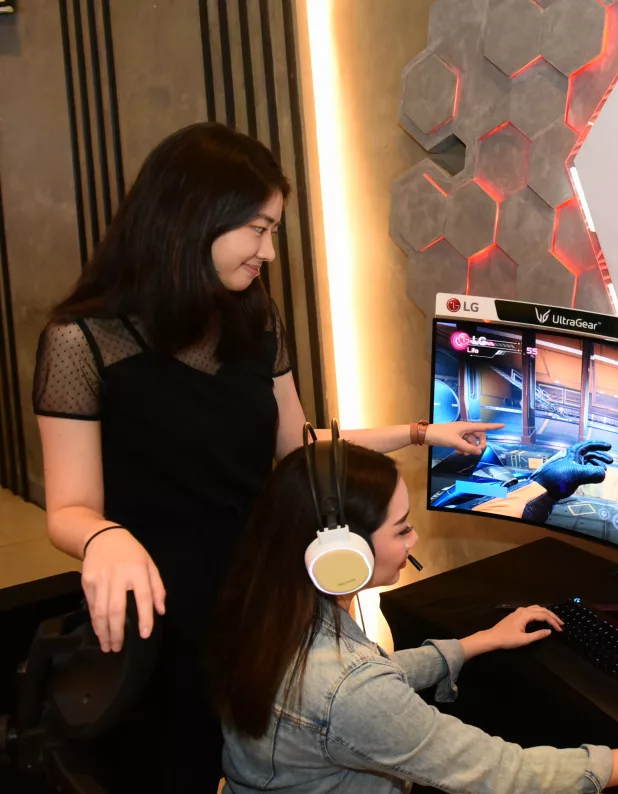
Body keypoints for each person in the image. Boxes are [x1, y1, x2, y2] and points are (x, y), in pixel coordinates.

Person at [31, 122, 501, 793]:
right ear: (194, 217)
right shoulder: (82, 342)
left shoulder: (255, 317)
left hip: (261, 594)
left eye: (274, 231)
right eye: (258, 229)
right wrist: (103, 537)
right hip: (159, 608)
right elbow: (69, 509)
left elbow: (296, 448)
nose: (270, 253)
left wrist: (421, 434)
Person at [207, 434, 618, 793]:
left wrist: (476, 643)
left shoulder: (268, 604)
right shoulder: (349, 687)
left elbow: (363, 682)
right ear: (341, 557)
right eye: (402, 529)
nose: (414, 540)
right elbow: (499, 772)